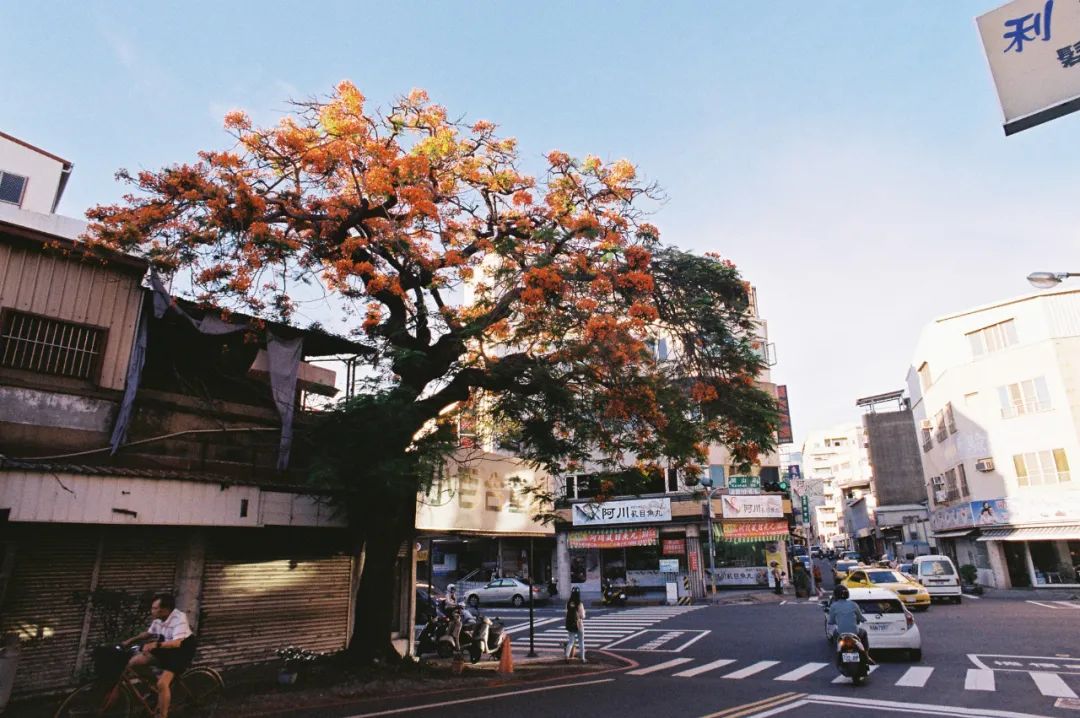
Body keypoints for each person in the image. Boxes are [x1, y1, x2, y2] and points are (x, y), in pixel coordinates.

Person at [122, 593, 195, 718]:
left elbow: (177, 643)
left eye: (155, 608)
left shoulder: (179, 618)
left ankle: (162, 715)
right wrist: (130, 641)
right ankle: (156, 690)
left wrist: (155, 645)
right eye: (153, 608)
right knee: (134, 663)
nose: (152, 611)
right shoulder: (159, 619)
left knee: (163, 683)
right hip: (165, 646)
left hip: (181, 650)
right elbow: (149, 633)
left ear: (165, 610)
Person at [826, 585, 872, 663]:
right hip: (855, 632)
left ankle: (838, 654)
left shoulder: (833, 606)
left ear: (835, 595)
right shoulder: (853, 604)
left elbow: (831, 621)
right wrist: (862, 620)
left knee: (834, 636)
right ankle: (867, 656)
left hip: (841, 632)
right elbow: (860, 617)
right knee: (864, 633)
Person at [564, 586, 586, 664]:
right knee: (581, 642)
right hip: (579, 624)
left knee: (571, 641)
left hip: (570, 624)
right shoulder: (580, 603)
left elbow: (566, 613)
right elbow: (583, 616)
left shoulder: (568, 603)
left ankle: (566, 656)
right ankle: (583, 658)